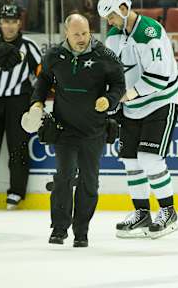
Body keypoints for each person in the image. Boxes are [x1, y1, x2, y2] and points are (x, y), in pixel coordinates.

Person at [26, 14, 125, 247]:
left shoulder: (105, 56)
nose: (81, 38)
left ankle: (82, 231)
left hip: (94, 130)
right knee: (64, 177)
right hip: (64, 130)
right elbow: (42, 81)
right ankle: (59, 229)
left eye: (85, 33)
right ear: (66, 34)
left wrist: (109, 100)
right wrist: (36, 102)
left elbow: (119, 85)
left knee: (89, 182)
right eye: (76, 34)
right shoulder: (54, 56)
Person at [97, 0, 178, 239]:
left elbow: (159, 76)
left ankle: (168, 211)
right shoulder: (114, 35)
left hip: (160, 102)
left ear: (123, 9)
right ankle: (142, 212)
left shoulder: (149, 32)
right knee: (131, 162)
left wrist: (125, 95)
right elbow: (111, 72)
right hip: (131, 107)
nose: (109, 23)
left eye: (110, 16)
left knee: (150, 159)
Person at [0, 4, 40, 210]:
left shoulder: (28, 45)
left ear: (19, 23)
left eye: (13, 21)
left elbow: (42, 72)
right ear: (0, 22)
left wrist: (37, 98)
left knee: (18, 148)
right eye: (6, 21)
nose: (9, 26)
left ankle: (16, 191)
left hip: (18, 102)